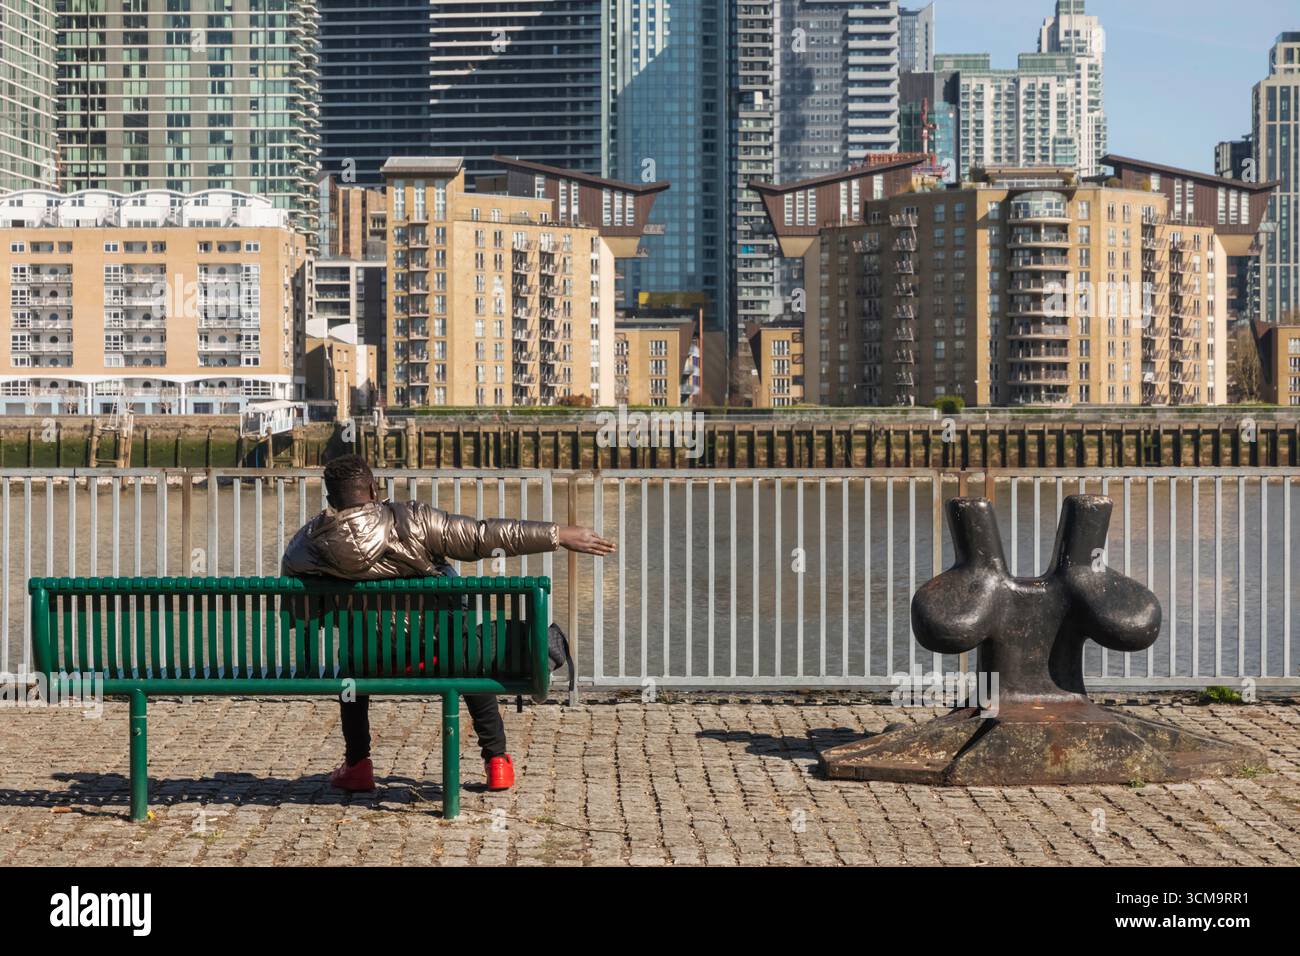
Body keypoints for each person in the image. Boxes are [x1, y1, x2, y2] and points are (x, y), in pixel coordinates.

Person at [281, 454, 615, 792]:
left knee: (351, 665)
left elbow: (304, 613)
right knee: (469, 652)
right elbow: (481, 537)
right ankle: (497, 761)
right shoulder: (412, 519)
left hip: (371, 663)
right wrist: (558, 534)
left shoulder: (305, 545)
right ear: (373, 488)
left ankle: (357, 764)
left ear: (330, 500)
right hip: (444, 654)